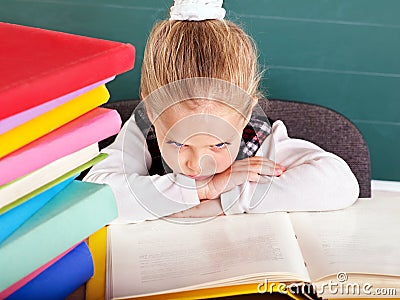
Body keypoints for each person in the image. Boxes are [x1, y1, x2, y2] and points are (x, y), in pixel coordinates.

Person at [84, 0, 359, 223]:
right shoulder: (142, 128)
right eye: (179, 143)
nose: (199, 163)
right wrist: (203, 189)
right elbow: (97, 196)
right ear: (151, 110)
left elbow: (341, 184)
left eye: (219, 144)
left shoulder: (258, 138)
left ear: (247, 113)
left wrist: (228, 199)